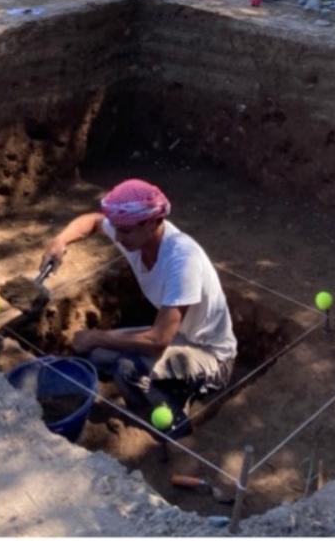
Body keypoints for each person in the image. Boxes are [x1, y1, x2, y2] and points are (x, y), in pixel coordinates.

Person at [40, 178, 236, 434]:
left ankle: (171, 422)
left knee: (127, 369)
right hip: (177, 335)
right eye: (117, 229)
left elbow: (158, 340)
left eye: (125, 231)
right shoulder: (134, 232)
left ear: (154, 222)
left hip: (211, 355)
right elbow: (94, 221)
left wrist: (97, 336)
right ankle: (159, 387)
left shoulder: (182, 261)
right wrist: (60, 241)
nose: (118, 237)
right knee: (96, 355)